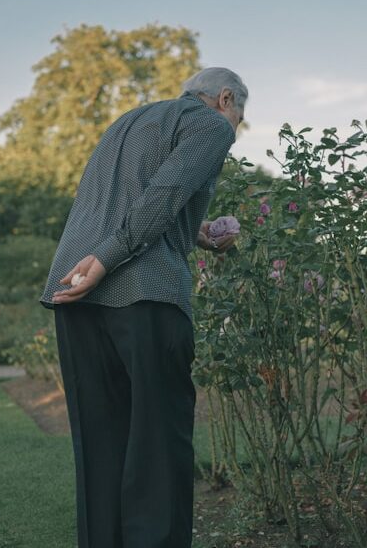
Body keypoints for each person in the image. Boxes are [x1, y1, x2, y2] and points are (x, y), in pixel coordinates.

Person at [39, 67, 248, 548]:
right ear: (224, 98)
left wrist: (198, 231)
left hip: (73, 286)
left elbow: (120, 201)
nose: (235, 129)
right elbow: (167, 192)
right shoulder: (212, 124)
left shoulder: (130, 122)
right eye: (240, 116)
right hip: (142, 290)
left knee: (100, 446)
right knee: (158, 446)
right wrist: (107, 260)